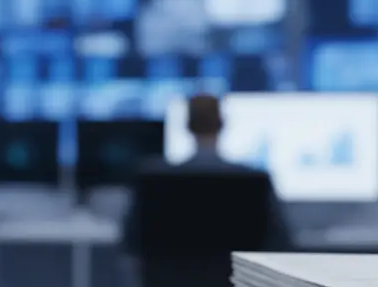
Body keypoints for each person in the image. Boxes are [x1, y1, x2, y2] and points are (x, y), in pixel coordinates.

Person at [123, 93, 291, 250]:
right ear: (222, 124)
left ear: (188, 126)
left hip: (169, 272)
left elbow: (131, 240)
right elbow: (282, 241)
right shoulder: (255, 181)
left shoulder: (154, 181)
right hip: (232, 272)